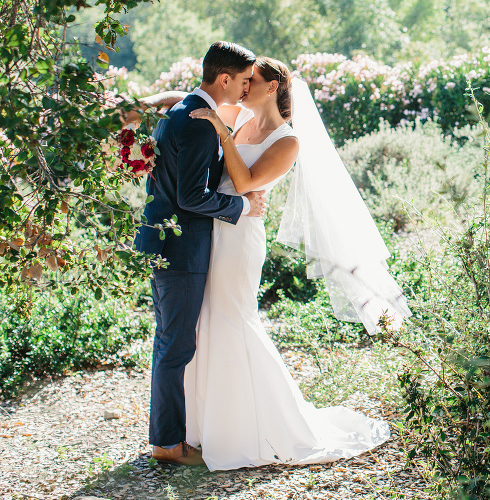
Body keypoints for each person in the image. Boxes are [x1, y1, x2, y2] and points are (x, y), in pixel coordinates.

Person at [180, 57, 411, 470]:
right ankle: (206, 426)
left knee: (234, 318)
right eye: (244, 80)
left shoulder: (287, 141)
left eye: (253, 81)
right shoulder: (240, 118)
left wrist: (221, 133)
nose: (244, 86)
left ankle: (261, 426)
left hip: (240, 237)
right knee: (208, 320)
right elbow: (196, 102)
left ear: (272, 88)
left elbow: (248, 183)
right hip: (214, 229)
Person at [134, 41, 267, 466]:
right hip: (180, 250)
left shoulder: (183, 111)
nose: (247, 89)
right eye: (245, 81)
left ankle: (169, 437)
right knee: (174, 347)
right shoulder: (195, 122)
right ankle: (168, 444)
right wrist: (243, 206)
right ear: (224, 79)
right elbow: (192, 198)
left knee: (169, 343)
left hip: (164, 242)